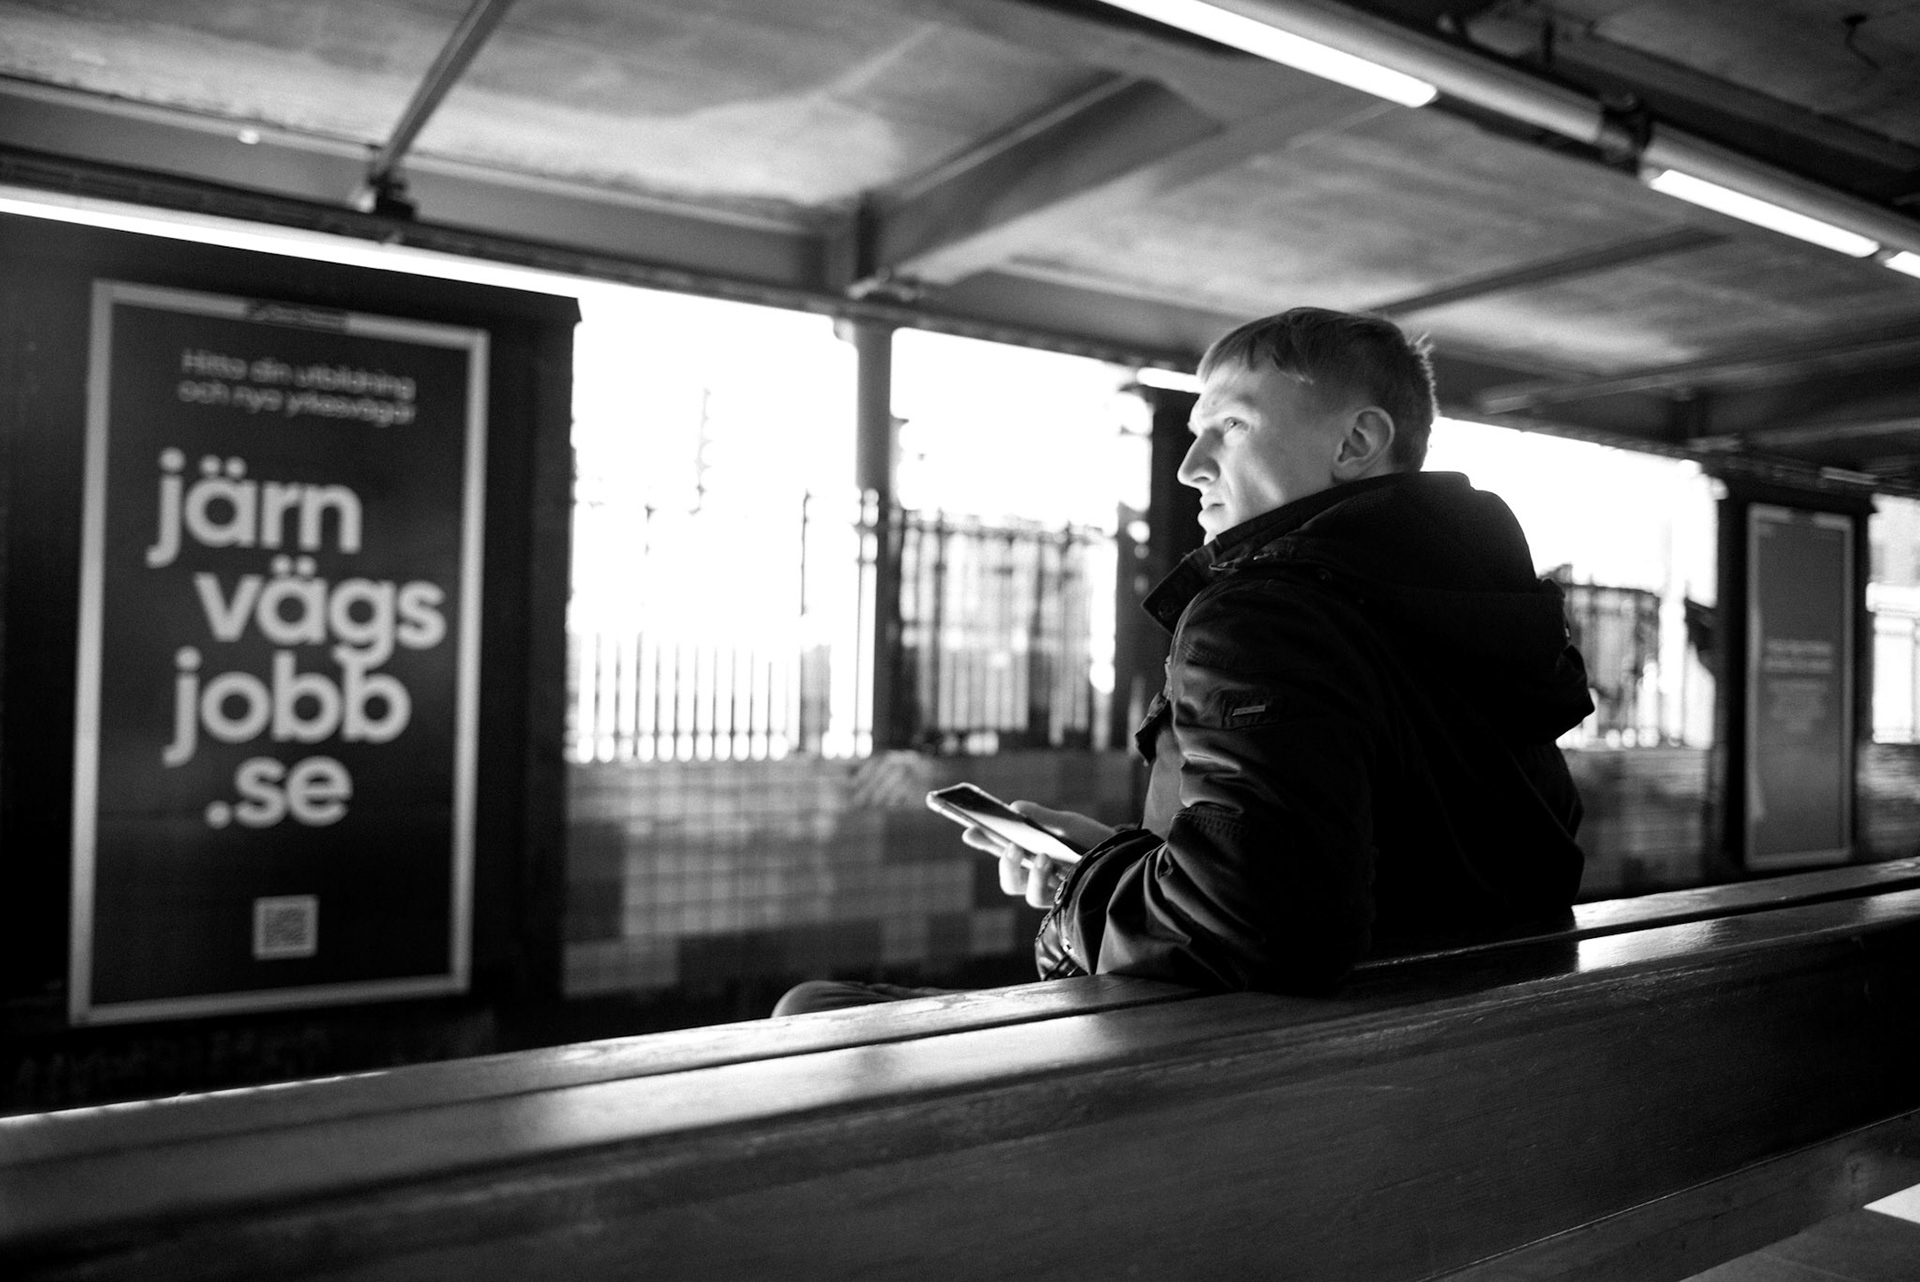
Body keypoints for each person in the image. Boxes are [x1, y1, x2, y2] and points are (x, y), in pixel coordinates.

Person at [773, 306, 1589, 1015]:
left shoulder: (1266, 615)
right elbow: (1397, 871)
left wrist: (1085, 889)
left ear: (1357, 441)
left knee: (814, 1014)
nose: (1191, 466)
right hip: (1480, 1045)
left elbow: (1248, 937)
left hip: (1276, 1084)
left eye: (1230, 426)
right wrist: (1123, 860)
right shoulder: (1484, 615)